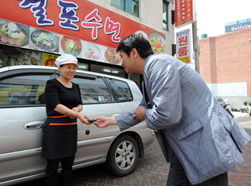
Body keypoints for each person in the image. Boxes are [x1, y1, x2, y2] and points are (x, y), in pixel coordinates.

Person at [94, 34, 251, 186]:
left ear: (133, 53)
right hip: (186, 146)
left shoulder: (159, 65)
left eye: (122, 56)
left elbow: (167, 116)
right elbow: (140, 111)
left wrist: (146, 113)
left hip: (205, 144)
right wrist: (112, 120)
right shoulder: (150, 73)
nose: (121, 63)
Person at [42, 53, 90, 186]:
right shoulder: (52, 84)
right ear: (60, 68)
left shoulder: (76, 86)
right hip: (55, 130)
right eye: (68, 67)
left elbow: (80, 104)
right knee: (52, 168)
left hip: (70, 129)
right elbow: (56, 106)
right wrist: (77, 115)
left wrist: (77, 110)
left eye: (74, 68)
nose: (71, 71)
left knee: (68, 167)